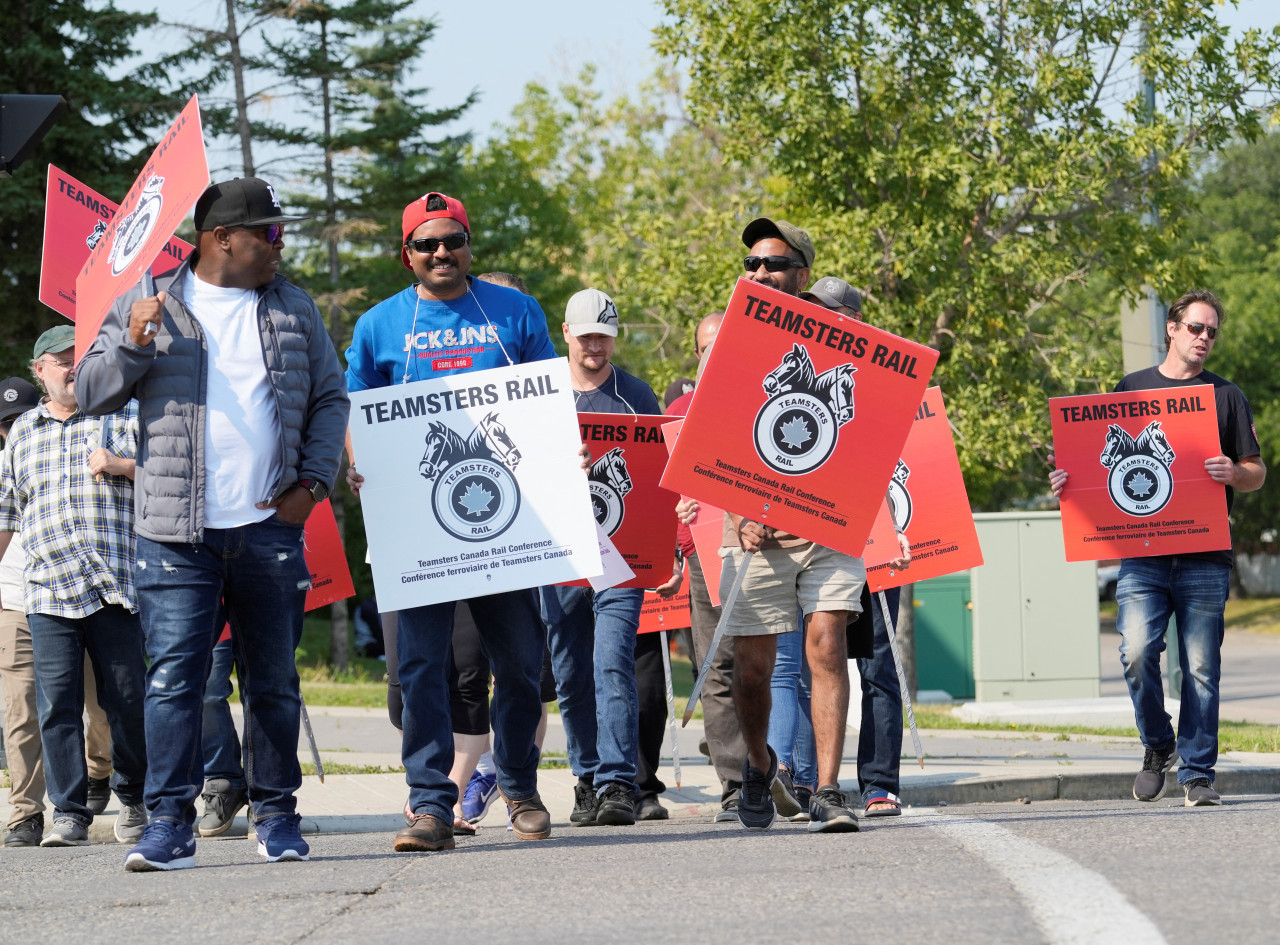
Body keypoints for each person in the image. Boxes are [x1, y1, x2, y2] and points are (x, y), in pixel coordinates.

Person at [76, 177, 350, 869]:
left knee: (274, 680)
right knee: (175, 680)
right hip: (175, 534)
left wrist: (313, 485)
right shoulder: (152, 305)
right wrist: (134, 342)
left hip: (268, 529)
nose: (280, 246)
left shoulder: (292, 307)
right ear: (222, 239)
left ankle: (278, 816)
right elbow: (88, 392)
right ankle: (169, 824)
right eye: (269, 234)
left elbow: (331, 396)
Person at [345, 191, 557, 852]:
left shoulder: (516, 313)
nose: (441, 253)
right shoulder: (380, 326)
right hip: (417, 523)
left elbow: (550, 402)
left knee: (521, 665)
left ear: (469, 244)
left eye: (452, 240)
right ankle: (431, 804)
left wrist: (564, 448)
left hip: (508, 524)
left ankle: (519, 785)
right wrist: (358, 463)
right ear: (406, 254)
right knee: (422, 669)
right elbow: (356, 410)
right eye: (427, 244)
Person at [1050, 288, 1264, 807]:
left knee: (1200, 668)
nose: (1204, 338)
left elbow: (1256, 473)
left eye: (1212, 331)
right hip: (1142, 554)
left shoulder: (1226, 396)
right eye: (1196, 328)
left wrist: (1235, 472)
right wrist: (1067, 483)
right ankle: (1157, 745)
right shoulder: (1132, 388)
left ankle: (1197, 774)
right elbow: (1099, 465)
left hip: (1205, 555)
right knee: (1136, 652)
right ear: (1171, 329)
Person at [716, 217, 870, 832]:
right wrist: (736, 512)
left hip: (829, 527)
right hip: (754, 530)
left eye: (772, 264)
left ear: (801, 275)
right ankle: (759, 766)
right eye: (751, 264)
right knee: (753, 668)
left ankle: (829, 790)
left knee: (827, 645)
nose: (759, 273)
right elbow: (711, 439)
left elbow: (874, 430)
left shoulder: (848, 346)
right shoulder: (731, 339)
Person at [0, 328, 149, 848]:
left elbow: (170, 481)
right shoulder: (22, 432)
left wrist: (121, 465)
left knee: (127, 701)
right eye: (60, 362)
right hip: (47, 592)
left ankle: (134, 798)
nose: (70, 369)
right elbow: (6, 512)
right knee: (56, 706)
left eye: (79, 360)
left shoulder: (124, 414)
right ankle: (69, 813)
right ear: (39, 370)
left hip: (116, 588)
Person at [540, 288, 664, 827]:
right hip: (556, 555)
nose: (596, 345)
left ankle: (619, 781)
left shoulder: (637, 395)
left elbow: (659, 480)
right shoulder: (539, 395)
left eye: (605, 336)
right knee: (569, 674)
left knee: (611, 662)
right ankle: (586, 777)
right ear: (565, 333)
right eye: (586, 335)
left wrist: (667, 546)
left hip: (621, 558)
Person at [800, 276, 911, 816]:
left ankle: (878, 783)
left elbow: (916, 455)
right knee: (818, 659)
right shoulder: (800, 366)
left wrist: (911, 525)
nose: (819, 318)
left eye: (828, 311)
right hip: (818, 539)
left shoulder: (889, 377)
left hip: (878, 533)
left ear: (854, 319)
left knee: (879, 664)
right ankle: (813, 779)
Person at [667, 312, 750, 821]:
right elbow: (674, 492)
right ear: (696, 355)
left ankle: (791, 772)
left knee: (768, 667)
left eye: (722, 345)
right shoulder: (680, 410)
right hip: (706, 554)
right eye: (704, 349)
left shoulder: (762, 399)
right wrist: (680, 542)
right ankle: (736, 785)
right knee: (716, 667)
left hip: (769, 552)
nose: (713, 355)